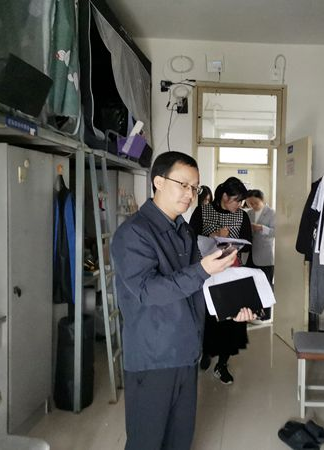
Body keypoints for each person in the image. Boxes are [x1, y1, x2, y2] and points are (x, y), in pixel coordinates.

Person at [111, 152, 255, 450]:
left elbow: (197, 288)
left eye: (195, 187)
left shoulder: (184, 230)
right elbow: (148, 291)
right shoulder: (134, 233)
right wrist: (202, 269)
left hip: (186, 351)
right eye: (184, 185)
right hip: (154, 357)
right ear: (158, 182)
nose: (190, 194)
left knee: (180, 438)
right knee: (147, 441)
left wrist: (230, 309)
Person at [190, 177, 253, 384]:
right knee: (207, 317)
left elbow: (248, 243)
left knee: (231, 320)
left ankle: (222, 364)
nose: (239, 205)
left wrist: (232, 244)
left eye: (241, 201)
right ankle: (206, 352)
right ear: (225, 196)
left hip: (231, 274)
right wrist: (214, 235)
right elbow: (190, 239)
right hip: (206, 274)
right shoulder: (203, 211)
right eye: (237, 200)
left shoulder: (242, 216)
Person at [245, 189, 276, 320]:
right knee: (251, 285)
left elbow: (276, 232)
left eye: (255, 203)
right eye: (250, 203)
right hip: (250, 254)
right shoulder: (248, 213)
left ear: (262, 200)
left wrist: (262, 228)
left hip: (265, 256)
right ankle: (253, 313)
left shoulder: (272, 213)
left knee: (265, 285)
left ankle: (266, 315)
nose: (252, 205)